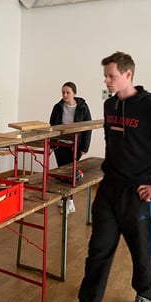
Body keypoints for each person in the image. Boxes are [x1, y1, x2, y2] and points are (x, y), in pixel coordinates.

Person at [51, 52, 151, 302]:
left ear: (128, 75)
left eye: (111, 76)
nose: (106, 81)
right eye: (105, 76)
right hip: (108, 191)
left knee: (141, 253)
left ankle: (144, 298)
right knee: (98, 251)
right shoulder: (110, 105)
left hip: (137, 194)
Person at [49, 81, 92, 214]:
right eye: (63, 92)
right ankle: (64, 198)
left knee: (71, 174)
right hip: (60, 145)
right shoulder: (57, 107)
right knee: (62, 174)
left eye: (68, 92)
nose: (65, 95)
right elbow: (52, 126)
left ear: (74, 93)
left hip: (75, 146)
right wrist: (52, 144)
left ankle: (70, 201)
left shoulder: (82, 107)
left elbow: (88, 128)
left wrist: (84, 147)